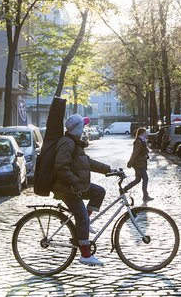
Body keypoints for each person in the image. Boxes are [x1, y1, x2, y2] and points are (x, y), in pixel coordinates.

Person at [53, 114, 113, 266]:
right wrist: (74, 181)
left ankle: (85, 221)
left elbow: (87, 162)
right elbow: (60, 166)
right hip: (68, 189)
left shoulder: (75, 143)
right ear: (77, 128)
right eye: (83, 127)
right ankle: (85, 255)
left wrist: (109, 169)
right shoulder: (67, 143)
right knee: (82, 219)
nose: (85, 130)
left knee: (99, 192)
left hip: (75, 187)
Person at [126, 128, 152, 201]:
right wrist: (130, 162)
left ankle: (124, 189)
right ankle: (145, 196)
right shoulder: (138, 141)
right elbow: (135, 153)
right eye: (145, 133)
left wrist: (146, 154)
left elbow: (142, 151)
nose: (146, 134)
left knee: (138, 179)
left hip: (140, 162)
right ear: (142, 133)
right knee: (145, 179)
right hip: (138, 163)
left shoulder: (142, 140)